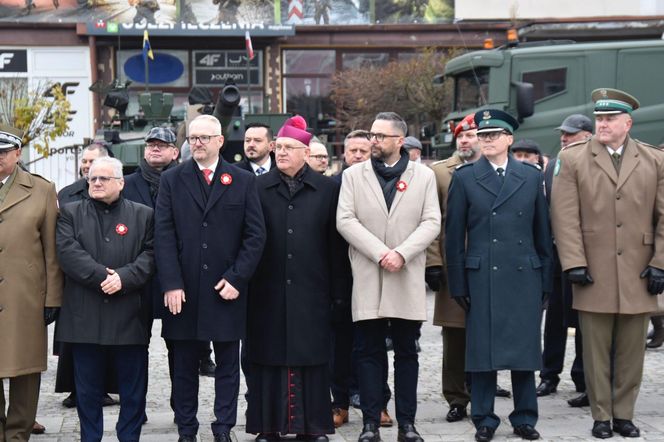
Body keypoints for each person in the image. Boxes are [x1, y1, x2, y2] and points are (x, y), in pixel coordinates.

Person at [551, 88, 664, 439]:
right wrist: (573, 263)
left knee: (632, 351)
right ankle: (601, 415)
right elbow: (564, 216)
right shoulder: (572, 158)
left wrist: (661, 262)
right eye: (599, 118)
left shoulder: (654, 160)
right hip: (592, 270)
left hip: (639, 269)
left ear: (627, 123)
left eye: (610, 119)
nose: (602, 124)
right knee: (595, 350)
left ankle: (624, 414)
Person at [155, 114, 266, 442]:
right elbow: (163, 233)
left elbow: (255, 235)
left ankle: (223, 428)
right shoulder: (172, 180)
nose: (198, 143)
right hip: (184, 290)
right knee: (184, 365)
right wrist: (172, 283)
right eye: (193, 138)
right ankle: (187, 430)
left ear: (220, 141)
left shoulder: (243, 180)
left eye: (205, 137)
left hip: (226, 289)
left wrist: (237, 278)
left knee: (228, 365)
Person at [445, 110, 553, 442]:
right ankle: (484, 418)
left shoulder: (532, 176)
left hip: (523, 274)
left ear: (509, 140)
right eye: (483, 135)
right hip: (482, 276)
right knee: (482, 353)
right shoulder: (464, 177)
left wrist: (546, 281)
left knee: (524, 352)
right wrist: (458, 283)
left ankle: (524, 417)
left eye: (494, 135)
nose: (487, 140)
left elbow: (543, 234)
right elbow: (453, 236)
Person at [337, 112, 440, 442]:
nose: (373, 141)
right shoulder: (353, 176)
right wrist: (381, 252)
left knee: (407, 352)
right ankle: (370, 423)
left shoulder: (422, 176)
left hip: (405, 274)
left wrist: (402, 253)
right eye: (372, 135)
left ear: (400, 140)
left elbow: (431, 222)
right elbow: (346, 220)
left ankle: (407, 424)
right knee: (368, 352)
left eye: (381, 136)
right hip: (369, 273)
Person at [245, 116, 349, 442]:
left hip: (313, 287)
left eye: (290, 148)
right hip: (267, 288)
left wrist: (339, 293)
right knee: (268, 356)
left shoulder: (328, 189)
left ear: (306, 152)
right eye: (278, 147)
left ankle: (312, 426)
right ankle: (268, 426)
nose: (281, 153)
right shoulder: (257, 187)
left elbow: (337, 246)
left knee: (314, 357)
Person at [55, 156, 155, 442]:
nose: (96, 183)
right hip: (84, 317)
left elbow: (150, 255)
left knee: (133, 390)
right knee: (87, 390)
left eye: (103, 178)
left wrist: (124, 277)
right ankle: (90, 437)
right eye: (92, 179)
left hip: (129, 315)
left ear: (120, 183)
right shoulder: (70, 213)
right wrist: (103, 276)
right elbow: (68, 253)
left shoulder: (143, 214)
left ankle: (129, 437)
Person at [0, 124, 63, 442]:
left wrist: (52, 297)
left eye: (2, 152)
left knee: (24, 366)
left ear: (17, 154)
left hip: (25, 295)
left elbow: (52, 249)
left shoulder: (41, 189)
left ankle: (17, 433)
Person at [425, 114, 480, 424]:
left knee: (484, 332)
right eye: (460, 135)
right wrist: (433, 263)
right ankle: (456, 397)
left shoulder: (496, 168)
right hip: (453, 265)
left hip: (487, 266)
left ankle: (481, 389)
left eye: (470, 134)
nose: (464, 140)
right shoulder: (440, 173)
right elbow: (434, 223)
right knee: (454, 337)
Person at [122, 127, 180, 418]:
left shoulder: (185, 181)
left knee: (179, 348)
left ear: (175, 152)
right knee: (135, 346)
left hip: (176, 277)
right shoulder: (127, 183)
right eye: (151, 145)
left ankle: (181, 407)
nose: (155, 149)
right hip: (137, 276)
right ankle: (135, 410)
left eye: (162, 145)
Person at [537, 114, 593, 408]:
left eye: (571, 133)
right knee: (554, 319)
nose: (564, 137)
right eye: (563, 133)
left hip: (585, 255)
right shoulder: (554, 165)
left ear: (587, 135)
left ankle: (583, 378)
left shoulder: (594, 164)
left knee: (585, 319)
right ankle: (549, 374)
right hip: (555, 255)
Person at [58, 142, 109, 207]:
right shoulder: (65, 194)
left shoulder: (116, 191)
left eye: (92, 161)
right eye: (84, 161)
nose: (87, 165)